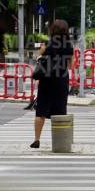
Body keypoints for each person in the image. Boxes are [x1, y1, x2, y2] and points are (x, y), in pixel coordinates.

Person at [30, 19, 73, 149]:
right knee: (60, 110)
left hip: (47, 81)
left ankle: (37, 140)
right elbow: (71, 65)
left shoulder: (48, 45)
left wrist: (40, 54)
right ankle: (61, 141)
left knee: (41, 112)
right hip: (61, 80)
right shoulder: (69, 46)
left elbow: (38, 59)